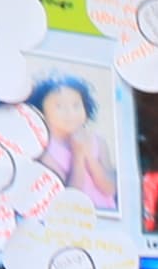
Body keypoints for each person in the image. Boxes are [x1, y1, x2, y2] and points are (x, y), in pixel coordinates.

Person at [36, 76, 121, 207]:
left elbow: (110, 188)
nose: (70, 113)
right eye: (59, 106)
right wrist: (78, 156)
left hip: (106, 216)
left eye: (76, 105)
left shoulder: (98, 141)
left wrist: (90, 157)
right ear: (43, 113)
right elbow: (70, 198)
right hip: (76, 221)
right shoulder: (46, 151)